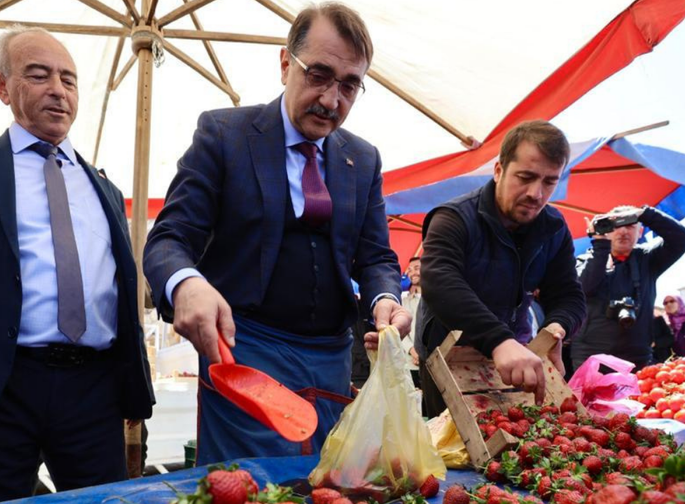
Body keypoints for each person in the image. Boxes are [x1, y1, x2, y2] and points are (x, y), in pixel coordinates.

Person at [143, 3, 409, 464]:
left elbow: (376, 258)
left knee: (325, 481)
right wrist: (186, 283)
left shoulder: (362, 158)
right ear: (286, 63)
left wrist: (386, 299)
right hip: (245, 355)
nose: (331, 100)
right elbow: (169, 238)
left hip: (331, 359)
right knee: (250, 487)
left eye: (349, 85)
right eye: (319, 75)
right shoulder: (224, 134)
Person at [0, 27, 154, 504]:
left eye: (69, 79)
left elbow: (117, 293)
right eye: (38, 74)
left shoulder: (105, 190)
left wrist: (133, 390)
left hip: (93, 392)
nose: (58, 89)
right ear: (1, 86)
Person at [417, 120, 586, 418]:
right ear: (498, 170)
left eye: (550, 181)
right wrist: (498, 340)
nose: (536, 193)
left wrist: (556, 329)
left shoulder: (555, 228)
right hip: (449, 355)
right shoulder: (452, 219)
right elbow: (440, 284)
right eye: (526, 177)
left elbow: (569, 294)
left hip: (518, 353)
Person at [571, 205, 685, 371]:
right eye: (616, 226)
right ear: (606, 230)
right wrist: (600, 247)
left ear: (640, 232)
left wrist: (644, 214)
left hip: (638, 357)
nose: (623, 232)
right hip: (591, 357)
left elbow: (683, 238)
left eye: (629, 225)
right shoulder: (585, 261)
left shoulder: (648, 259)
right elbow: (584, 289)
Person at [401, 257, 422, 388]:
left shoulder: (437, 300)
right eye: (409, 270)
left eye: (416, 268)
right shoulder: (404, 302)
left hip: (434, 363)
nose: (412, 272)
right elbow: (400, 331)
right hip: (410, 364)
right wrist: (413, 351)